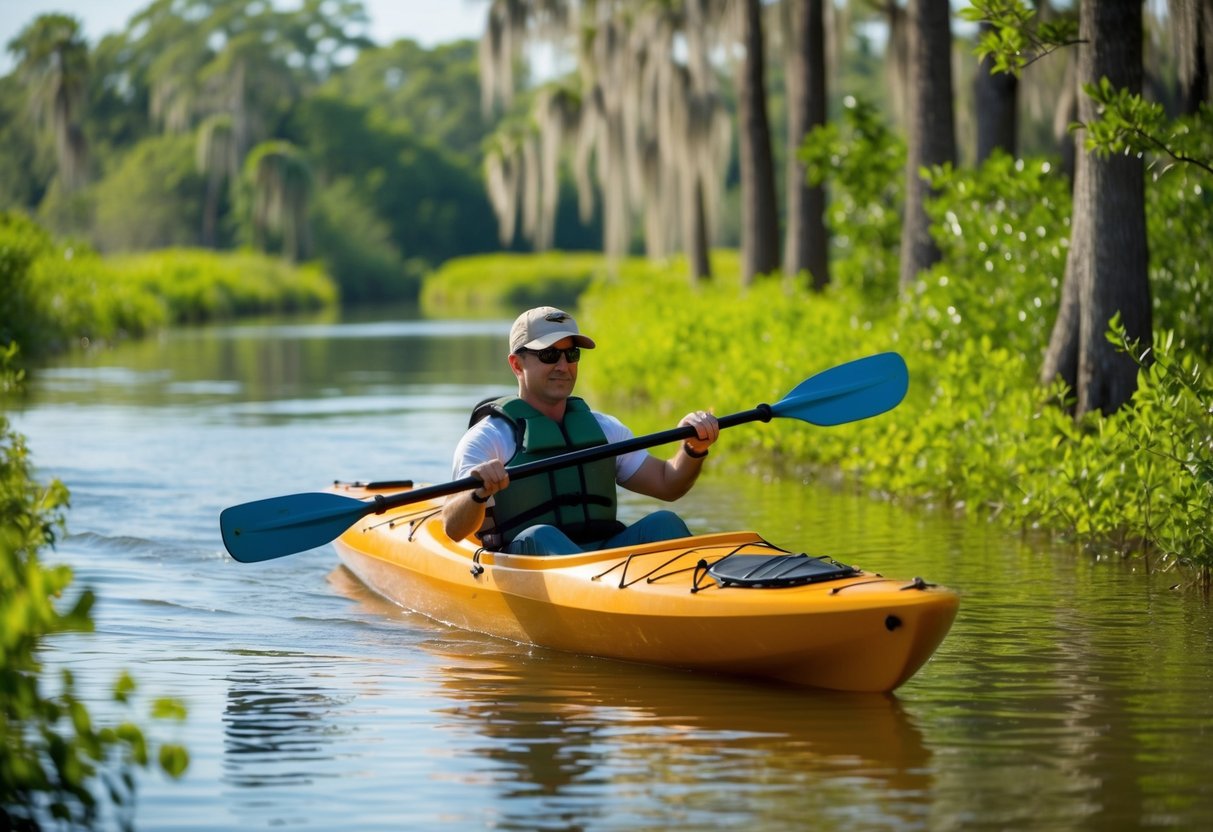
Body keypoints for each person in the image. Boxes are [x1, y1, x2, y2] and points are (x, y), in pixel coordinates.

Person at [442, 306, 719, 555]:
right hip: (527, 566)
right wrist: (477, 493)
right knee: (542, 535)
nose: (563, 366)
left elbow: (667, 484)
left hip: (604, 561)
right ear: (517, 364)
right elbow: (453, 528)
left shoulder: (604, 429)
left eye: (571, 354)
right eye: (549, 354)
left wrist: (693, 449)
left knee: (663, 523)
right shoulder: (488, 438)